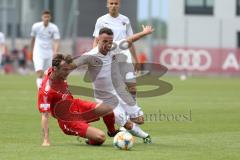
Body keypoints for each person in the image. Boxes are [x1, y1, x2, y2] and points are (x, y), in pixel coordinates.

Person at [75, 25, 154, 143]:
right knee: (126, 123)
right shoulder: (90, 56)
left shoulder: (113, 47)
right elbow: (71, 65)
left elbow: (130, 40)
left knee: (139, 119)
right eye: (104, 41)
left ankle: (122, 125)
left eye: (110, 42)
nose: (108, 44)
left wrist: (145, 32)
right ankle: (145, 136)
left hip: (119, 91)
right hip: (105, 99)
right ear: (97, 40)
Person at [38, 54, 115, 146]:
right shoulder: (46, 91)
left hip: (76, 105)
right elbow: (45, 116)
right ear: (55, 69)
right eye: (65, 70)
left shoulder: (57, 71)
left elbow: (76, 61)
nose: (68, 72)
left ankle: (113, 132)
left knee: (108, 109)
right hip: (68, 120)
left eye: (69, 69)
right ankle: (89, 136)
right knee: (100, 137)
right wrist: (46, 140)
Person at [93, 0, 139, 100]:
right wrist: (95, 57)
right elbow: (96, 40)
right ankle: (114, 111)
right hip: (108, 56)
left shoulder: (125, 20)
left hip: (124, 55)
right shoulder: (101, 20)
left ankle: (133, 110)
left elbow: (130, 41)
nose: (113, 5)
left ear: (119, 5)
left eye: (116, 3)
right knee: (112, 87)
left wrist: (135, 59)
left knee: (132, 86)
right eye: (111, 3)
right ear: (107, 5)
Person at [30, 10, 60, 89]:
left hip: (49, 53)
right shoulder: (36, 26)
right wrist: (31, 50)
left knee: (48, 74)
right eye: (45, 17)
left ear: (50, 18)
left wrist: (55, 52)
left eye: (48, 17)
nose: (46, 18)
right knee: (39, 72)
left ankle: (47, 90)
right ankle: (40, 90)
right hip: (38, 52)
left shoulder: (54, 28)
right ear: (42, 17)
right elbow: (33, 39)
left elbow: (56, 41)